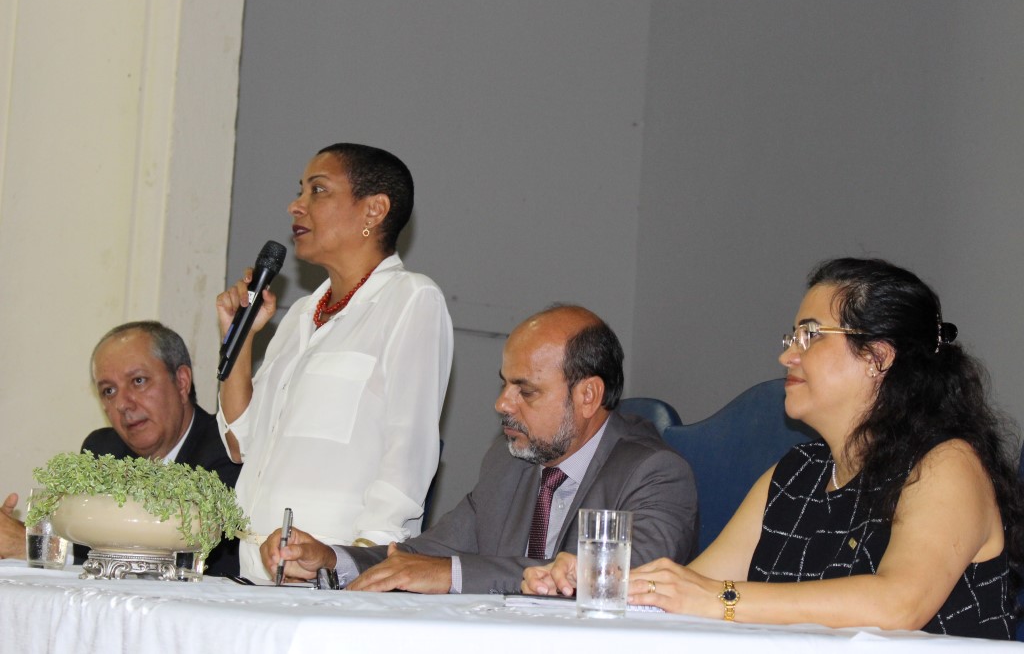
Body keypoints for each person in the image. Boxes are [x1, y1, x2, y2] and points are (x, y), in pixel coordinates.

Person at [525, 258, 1022, 640]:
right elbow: (689, 590)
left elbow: (897, 605)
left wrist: (720, 600)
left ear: (878, 357)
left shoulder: (946, 464)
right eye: (792, 337)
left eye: (810, 336)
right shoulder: (794, 474)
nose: (787, 355)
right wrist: (600, 582)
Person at [260, 304, 698, 594]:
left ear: (588, 395)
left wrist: (452, 574)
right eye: (504, 384)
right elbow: (422, 556)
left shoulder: (656, 474)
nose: (501, 404)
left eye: (526, 391)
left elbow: (611, 581)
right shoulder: (508, 462)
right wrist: (330, 559)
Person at [216, 143, 454, 580]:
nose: (296, 205)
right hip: (257, 571)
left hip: (333, 577)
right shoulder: (301, 314)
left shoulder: (411, 299)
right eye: (300, 191)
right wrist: (242, 337)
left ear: (374, 210)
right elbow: (240, 443)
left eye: (318, 190)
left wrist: (360, 567)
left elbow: (408, 456)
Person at [0, 321, 242, 576]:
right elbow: (88, 541)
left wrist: (34, 547)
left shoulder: (228, 451)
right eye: (109, 391)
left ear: (181, 382)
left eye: (138, 381)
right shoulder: (103, 451)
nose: (122, 404)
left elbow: (204, 564)